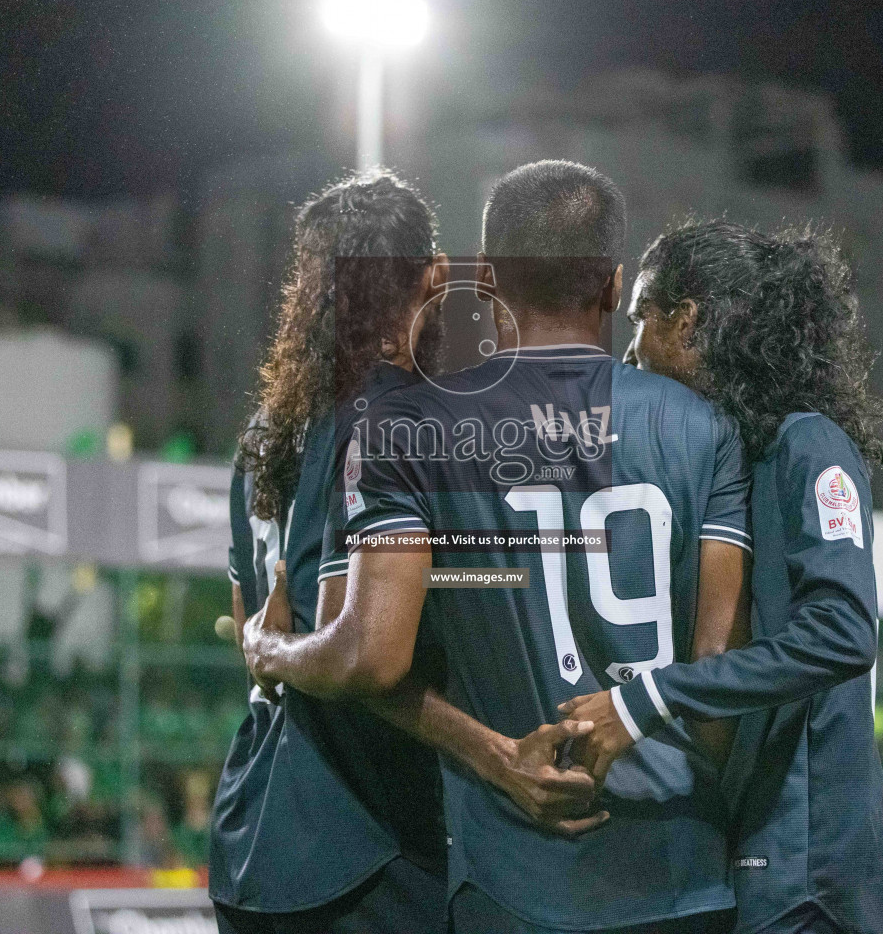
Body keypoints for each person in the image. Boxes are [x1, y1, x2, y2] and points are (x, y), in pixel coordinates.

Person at [244, 160, 753, 933]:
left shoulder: (407, 429)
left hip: (512, 884)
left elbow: (373, 656)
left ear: (483, 283)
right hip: (680, 875)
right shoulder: (704, 427)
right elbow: (721, 673)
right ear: (613, 289)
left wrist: (270, 650)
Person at [213, 171, 601, 934]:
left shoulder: (264, 433)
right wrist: (493, 754)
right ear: (430, 279)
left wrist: (268, 649)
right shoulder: (393, 420)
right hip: (363, 849)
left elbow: (261, 622)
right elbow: (361, 653)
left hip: (254, 832)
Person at [560, 220, 883, 934]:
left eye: (640, 322)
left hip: (815, 875)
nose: (628, 349)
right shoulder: (728, 467)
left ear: (686, 325)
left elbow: (842, 634)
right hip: (753, 858)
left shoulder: (808, 445)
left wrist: (645, 698)